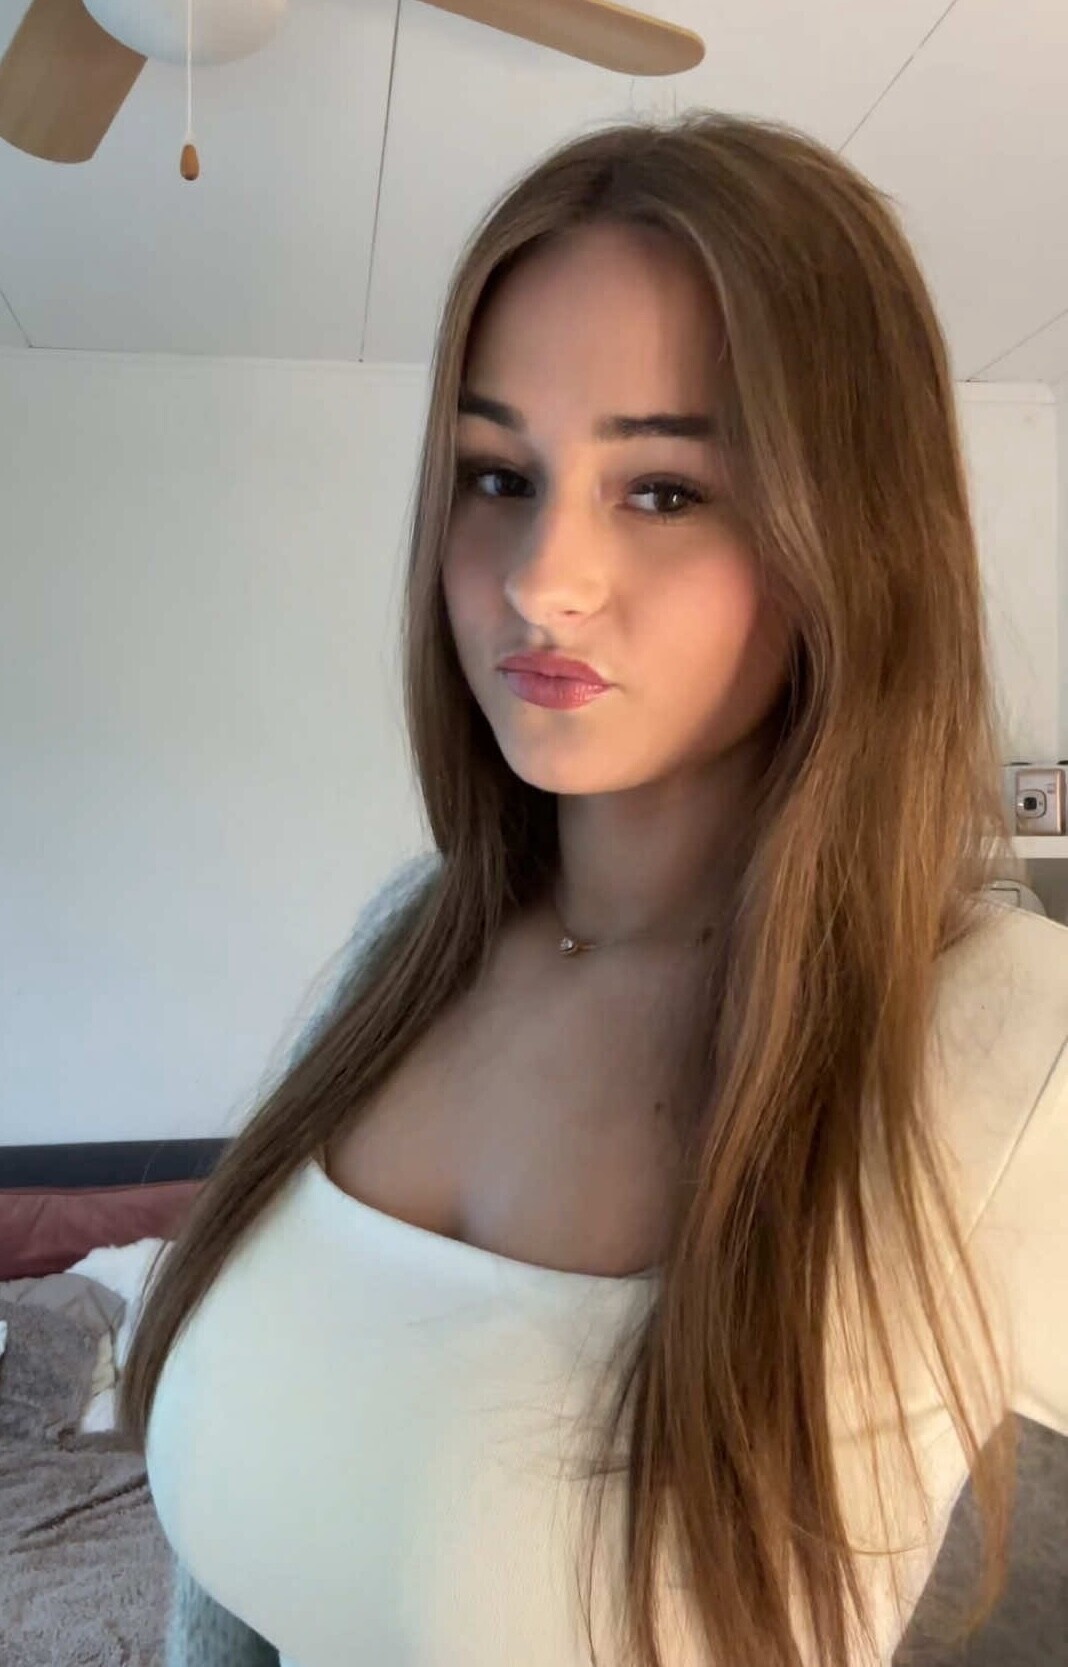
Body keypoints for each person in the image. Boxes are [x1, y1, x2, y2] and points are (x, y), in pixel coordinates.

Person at [120, 111, 1068, 1667]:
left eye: (666, 491)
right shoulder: (404, 945)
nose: (540, 577)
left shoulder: (1019, 1053)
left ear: (857, 532)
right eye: (498, 473)